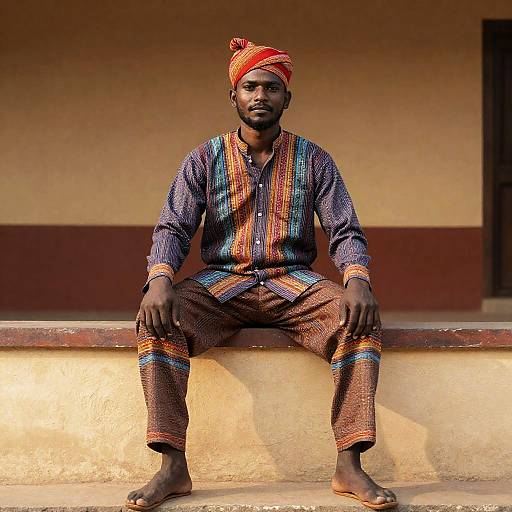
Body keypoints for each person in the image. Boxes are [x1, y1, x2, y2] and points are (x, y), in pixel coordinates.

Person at [125, 37, 398, 511]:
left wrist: (357, 279)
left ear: (286, 98)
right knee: (156, 323)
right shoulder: (202, 160)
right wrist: (159, 279)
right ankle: (172, 465)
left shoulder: (314, 159)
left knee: (358, 322)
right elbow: (174, 226)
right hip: (221, 286)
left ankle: (349, 463)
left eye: (271, 88)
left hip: (294, 284)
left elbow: (344, 228)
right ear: (234, 95)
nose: (260, 96)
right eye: (249, 86)